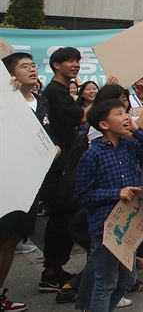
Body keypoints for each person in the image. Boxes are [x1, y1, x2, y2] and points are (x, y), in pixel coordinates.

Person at [75, 94, 143, 312]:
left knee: (126, 280)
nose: (126, 117)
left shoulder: (128, 145)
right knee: (105, 283)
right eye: (119, 114)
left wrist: (136, 130)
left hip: (128, 225)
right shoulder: (92, 154)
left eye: (126, 112)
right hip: (106, 226)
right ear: (104, 125)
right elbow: (83, 195)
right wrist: (117, 193)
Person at [1, 51, 57, 312]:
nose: (32, 69)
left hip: (31, 184)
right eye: (25, 66)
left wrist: (53, 150)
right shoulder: (6, 100)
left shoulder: (42, 102)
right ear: (11, 74)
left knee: (13, 237)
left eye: (33, 65)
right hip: (6, 181)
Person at [39, 47, 86, 294]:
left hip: (65, 164)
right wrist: (104, 98)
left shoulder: (59, 91)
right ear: (56, 65)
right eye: (70, 60)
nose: (75, 64)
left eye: (77, 60)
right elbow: (82, 117)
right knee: (62, 217)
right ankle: (50, 273)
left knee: (65, 216)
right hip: (59, 167)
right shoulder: (55, 91)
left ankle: (54, 270)